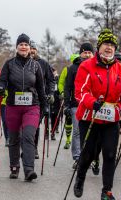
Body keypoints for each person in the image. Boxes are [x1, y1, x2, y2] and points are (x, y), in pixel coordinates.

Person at [73, 29, 121, 200]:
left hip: (111, 120)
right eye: (106, 44)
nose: (109, 48)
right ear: (99, 46)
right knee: (89, 154)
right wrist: (92, 102)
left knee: (109, 154)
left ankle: (107, 191)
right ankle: (80, 177)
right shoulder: (86, 66)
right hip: (90, 117)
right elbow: (80, 92)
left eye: (112, 45)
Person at [0, 34, 46, 181]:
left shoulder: (35, 65)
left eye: (26, 44)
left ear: (30, 47)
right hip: (13, 105)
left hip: (32, 106)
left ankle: (29, 169)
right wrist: (0, 88)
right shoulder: (9, 64)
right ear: (17, 47)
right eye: (21, 44)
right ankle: (14, 167)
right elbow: (2, 81)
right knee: (13, 138)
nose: (24, 47)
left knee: (28, 135)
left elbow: (41, 88)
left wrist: (44, 108)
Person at [64, 42, 94, 170]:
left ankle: (90, 157)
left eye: (89, 52)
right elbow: (68, 87)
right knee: (77, 131)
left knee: (91, 132)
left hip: (93, 105)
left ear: (93, 54)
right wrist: (66, 104)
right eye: (84, 52)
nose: (87, 55)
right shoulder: (72, 68)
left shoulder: (97, 67)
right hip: (76, 104)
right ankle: (77, 158)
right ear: (80, 53)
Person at [30, 41, 54, 158]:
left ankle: (33, 149)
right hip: (23, 99)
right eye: (30, 48)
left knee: (35, 124)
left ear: (36, 50)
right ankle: (25, 146)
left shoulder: (44, 63)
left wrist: (51, 94)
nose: (32, 50)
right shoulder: (19, 62)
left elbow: (50, 80)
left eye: (34, 48)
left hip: (39, 99)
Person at [58, 54, 79, 149]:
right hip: (68, 99)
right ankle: (68, 139)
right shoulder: (67, 69)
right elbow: (61, 83)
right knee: (68, 120)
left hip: (78, 100)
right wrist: (62, 92)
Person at [50, 67, 61, 140]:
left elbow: (61, 87)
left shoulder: (58, 79)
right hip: (50, 100)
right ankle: (49, 131)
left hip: (57, 100)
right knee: (50, 116)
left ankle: (54, 129)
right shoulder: (48, 79)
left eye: (54, 72)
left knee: (56, 116)